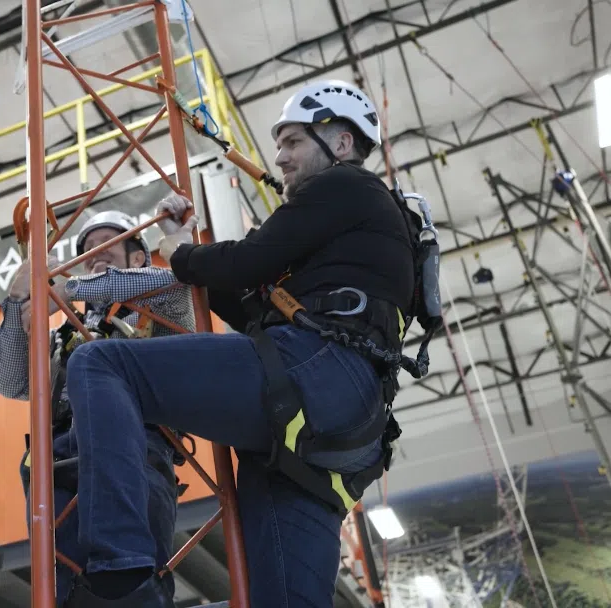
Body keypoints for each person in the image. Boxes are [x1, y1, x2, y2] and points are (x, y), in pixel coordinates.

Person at [60, 80, 428, 607]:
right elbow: (248, 304)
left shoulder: (347, 185)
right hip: (338, 429)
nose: (279, 158)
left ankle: (121, 568)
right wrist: (188, 252)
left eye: (293, 141)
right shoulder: (346, 241)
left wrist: (178, 250)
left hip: (316, 371)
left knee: (102, 365)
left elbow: (245, 262)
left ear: (342, 143)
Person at [0, 210, 196, 606]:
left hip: (136, 448)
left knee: (131, 582)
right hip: (58, 461)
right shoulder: (63, 334)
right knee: (65, 591)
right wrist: (18, 304)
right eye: (87, 249)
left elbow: (171, 284)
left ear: (137, 257)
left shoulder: (158, 311)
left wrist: (66, 288)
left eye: (107, 244)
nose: (94, 254)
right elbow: (13, 382)